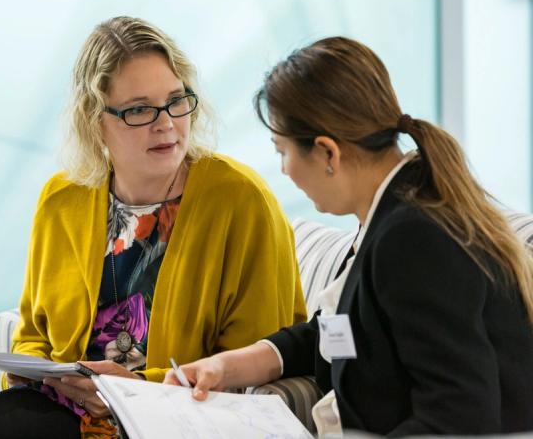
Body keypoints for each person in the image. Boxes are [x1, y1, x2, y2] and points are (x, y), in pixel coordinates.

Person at [0, 16, 306, 439]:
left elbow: (256, 361)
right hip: (69, 416)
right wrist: (29, 371)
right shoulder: (61, 198)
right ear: (96, 119)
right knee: (4, 416)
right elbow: (33, 332)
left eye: (177, 101)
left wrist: (137, 387)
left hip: (174, 421)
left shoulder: (243, 201)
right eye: (140, 109)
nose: (166, 123)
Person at [165, 36, 533, 436]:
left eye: (282, 151)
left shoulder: (413, 239)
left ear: (327, 153)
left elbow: (459, 414)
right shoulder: (393, 215)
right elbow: (334, 331)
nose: (285, 170)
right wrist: (224, 366)